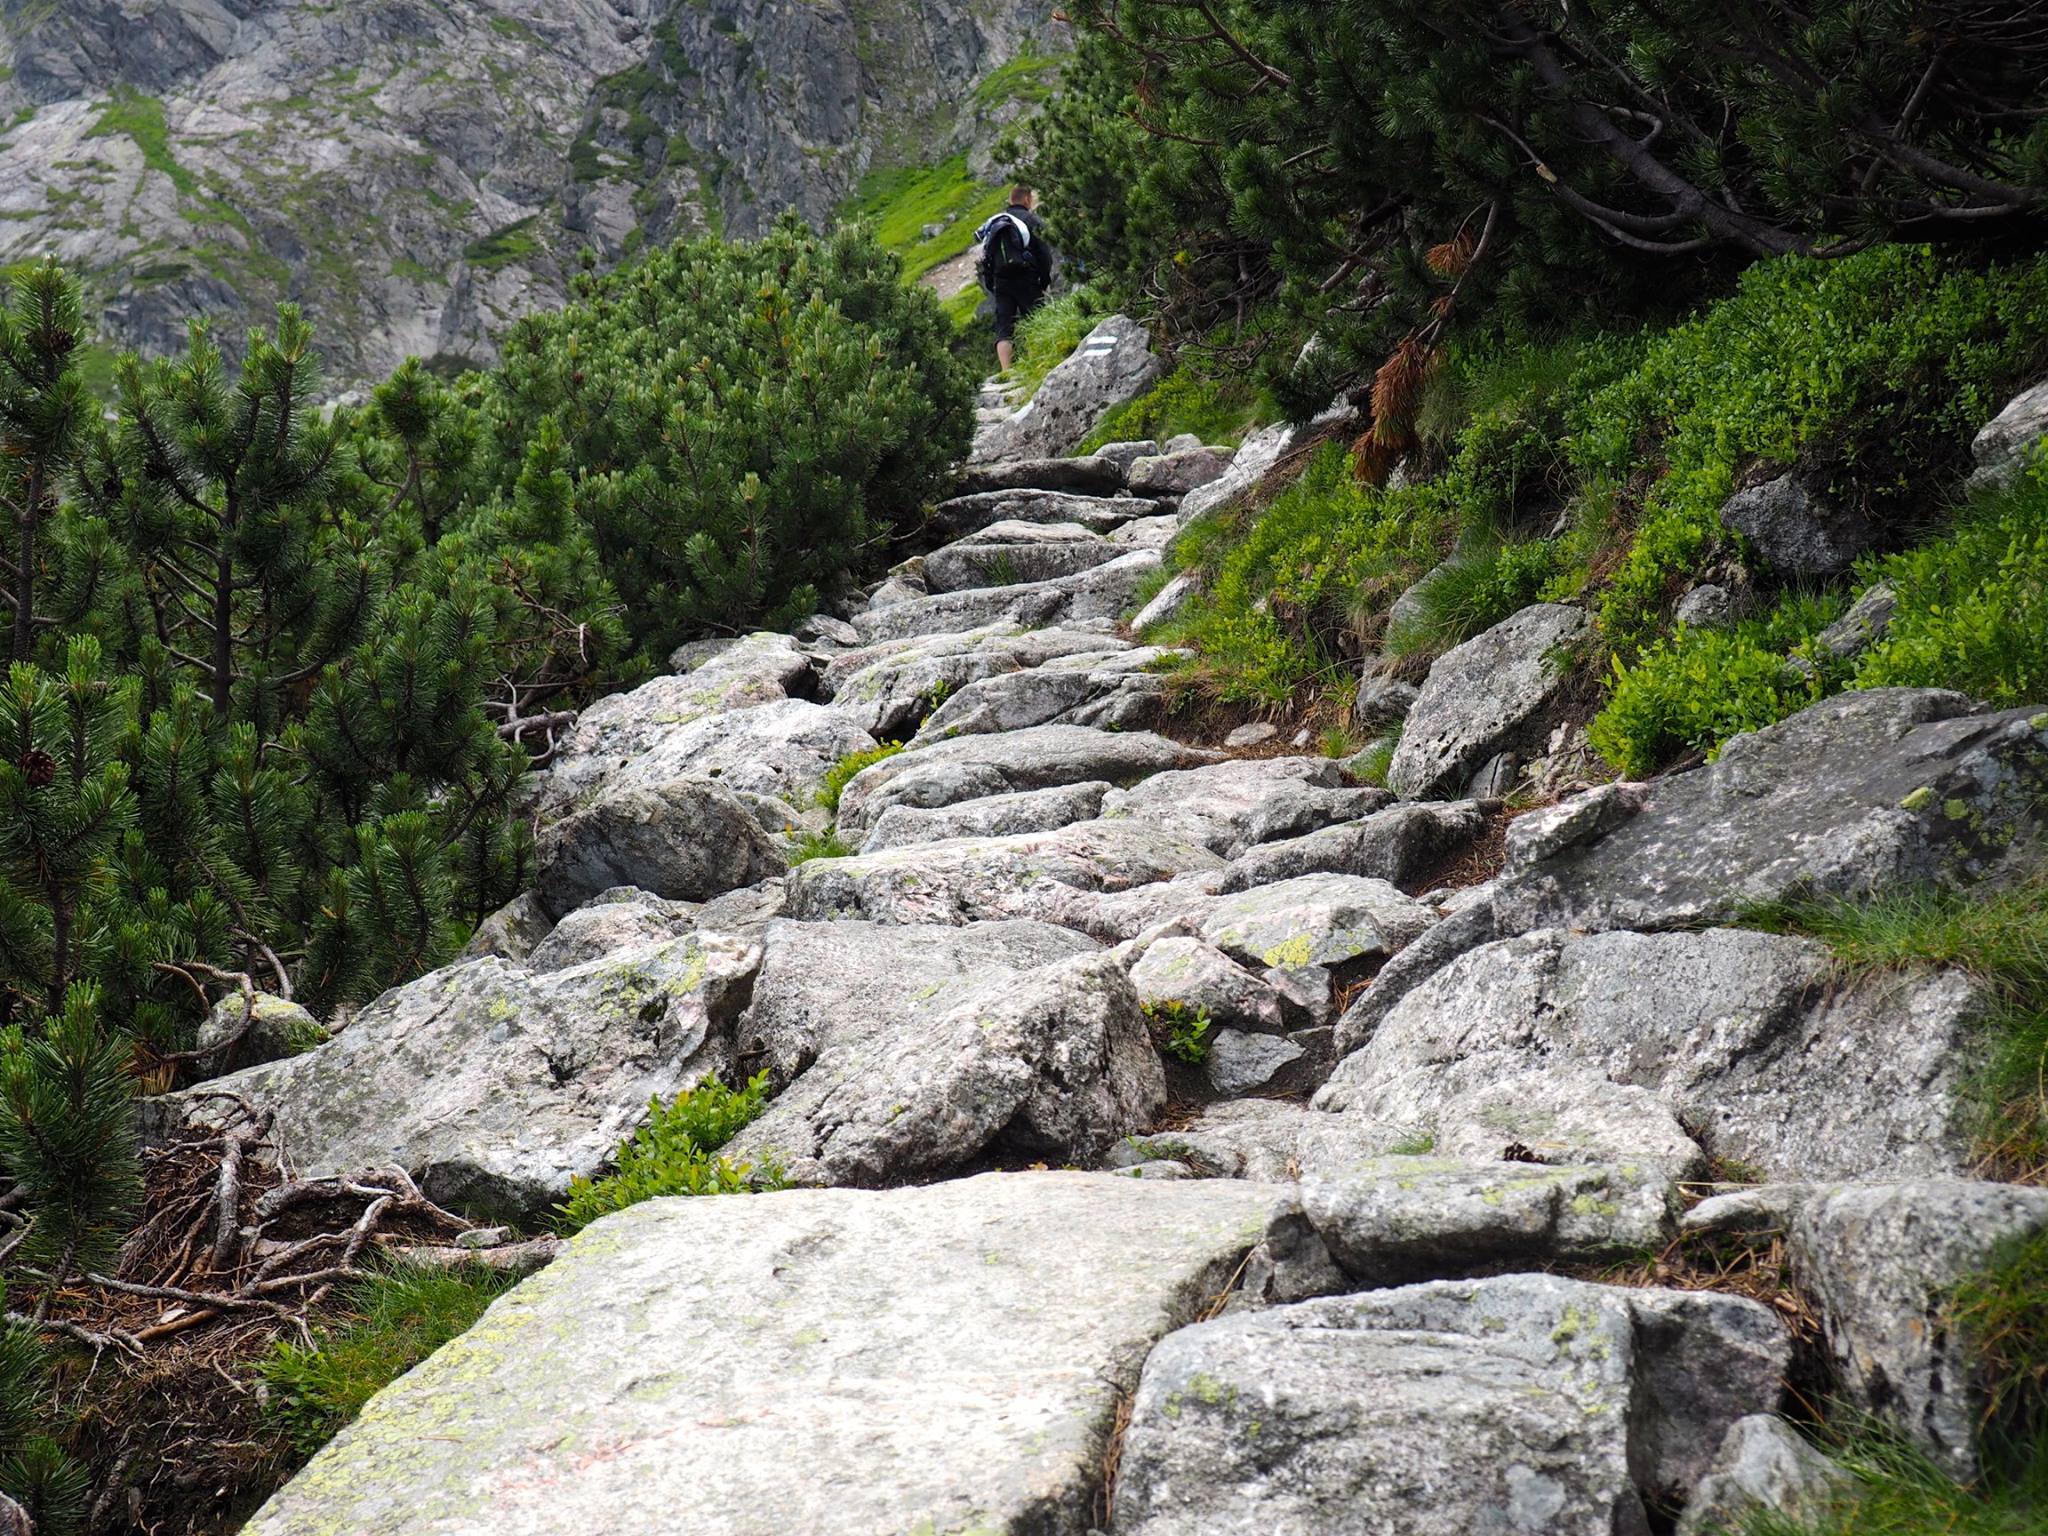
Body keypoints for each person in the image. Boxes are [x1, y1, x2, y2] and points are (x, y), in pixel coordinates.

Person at [976, 186, 1055, 373]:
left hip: (1001, 282)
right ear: (1027, 199)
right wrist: (1043, 281)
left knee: (1004, 328)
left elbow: (985, 257)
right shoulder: (1031, 220)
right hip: (1026, 279)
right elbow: (1044, 255)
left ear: (1011, 200)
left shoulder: (996, 221)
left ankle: (1006, 372)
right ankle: (1037, 364)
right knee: (1036, 320)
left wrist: (992, 285)